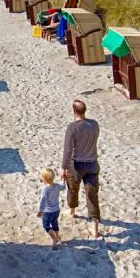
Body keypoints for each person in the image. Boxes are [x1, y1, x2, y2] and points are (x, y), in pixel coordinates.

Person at [61, 99, 102, 238]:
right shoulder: (94, 124)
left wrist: (64, 167)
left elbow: (67, 150)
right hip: (92, 163)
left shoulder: (72, 127)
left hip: (77, 164)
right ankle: (95, 227)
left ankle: (72, 211)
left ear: (74, 111)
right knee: (92, 194)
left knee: (72, 188)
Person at [36, 167, 64, 249]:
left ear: (44, 179)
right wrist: (63, 179)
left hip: (48, 212)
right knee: (55, 223)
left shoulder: (45, 189)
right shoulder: (57, 186)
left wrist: (41, 211)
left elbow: (43, 200)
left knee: (46, 226)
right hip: (57, 210)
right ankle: (57, 236)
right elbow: (63, 187)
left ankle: (54, 239)